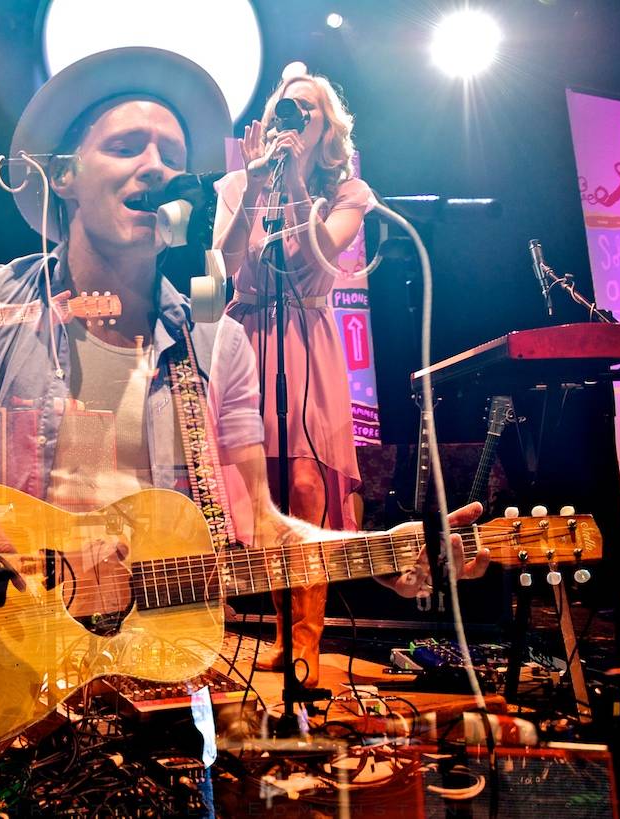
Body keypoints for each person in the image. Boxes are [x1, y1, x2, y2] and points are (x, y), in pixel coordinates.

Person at [0, 49, 487, 695]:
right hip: (1, 657)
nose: (155, 167)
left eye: (170, 155)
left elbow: (261, 525)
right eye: (125, 147)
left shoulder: (217, 344)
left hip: (145, 677)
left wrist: (383, 551)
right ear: (64, 176)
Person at [213, 72, 372, 686]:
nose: (296, 118)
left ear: (328, 126)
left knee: (306, 486)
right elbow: (227, 262)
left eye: (308, 109)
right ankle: (281, 635)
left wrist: (299, 185)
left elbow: (320, 258)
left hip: (307, 337)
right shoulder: (240, 183)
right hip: (250, 336)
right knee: (266, 493)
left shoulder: (347, 191)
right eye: (288, 107)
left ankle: (307, 638)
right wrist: (256, 185)